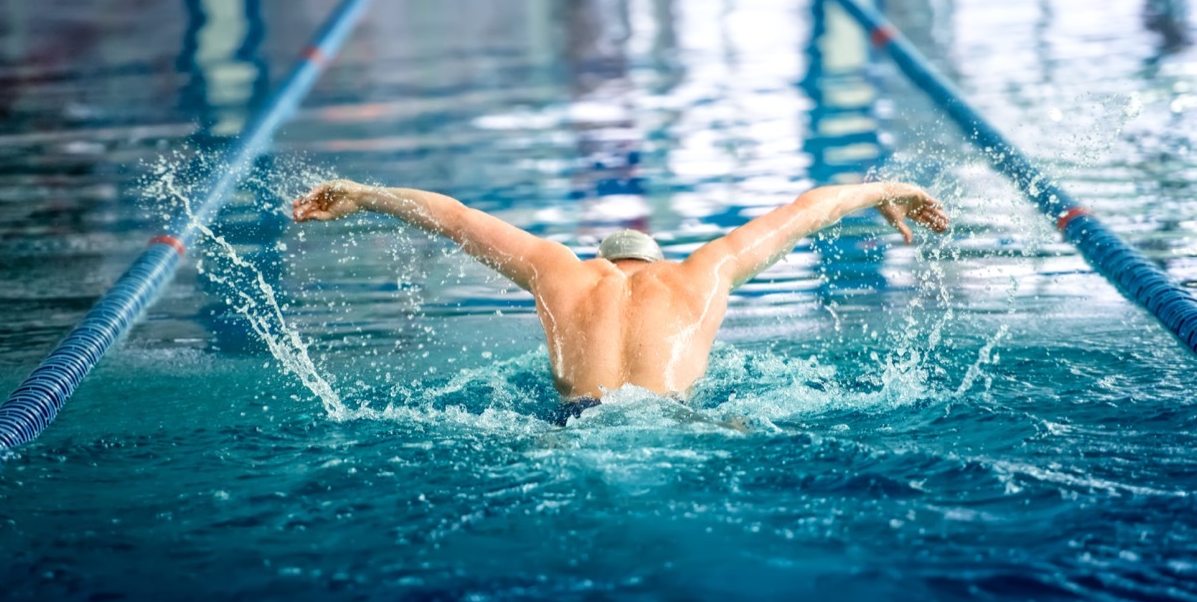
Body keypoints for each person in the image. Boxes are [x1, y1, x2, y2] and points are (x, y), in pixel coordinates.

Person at [292, 179, 949, 422]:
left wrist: (364, 195)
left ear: (602, 260)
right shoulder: (705, 271)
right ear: (654, 260)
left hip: (577, 426)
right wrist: (888, 189)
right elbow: (807, 212)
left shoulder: (559, 272)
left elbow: (457, 219)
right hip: (681, 423)